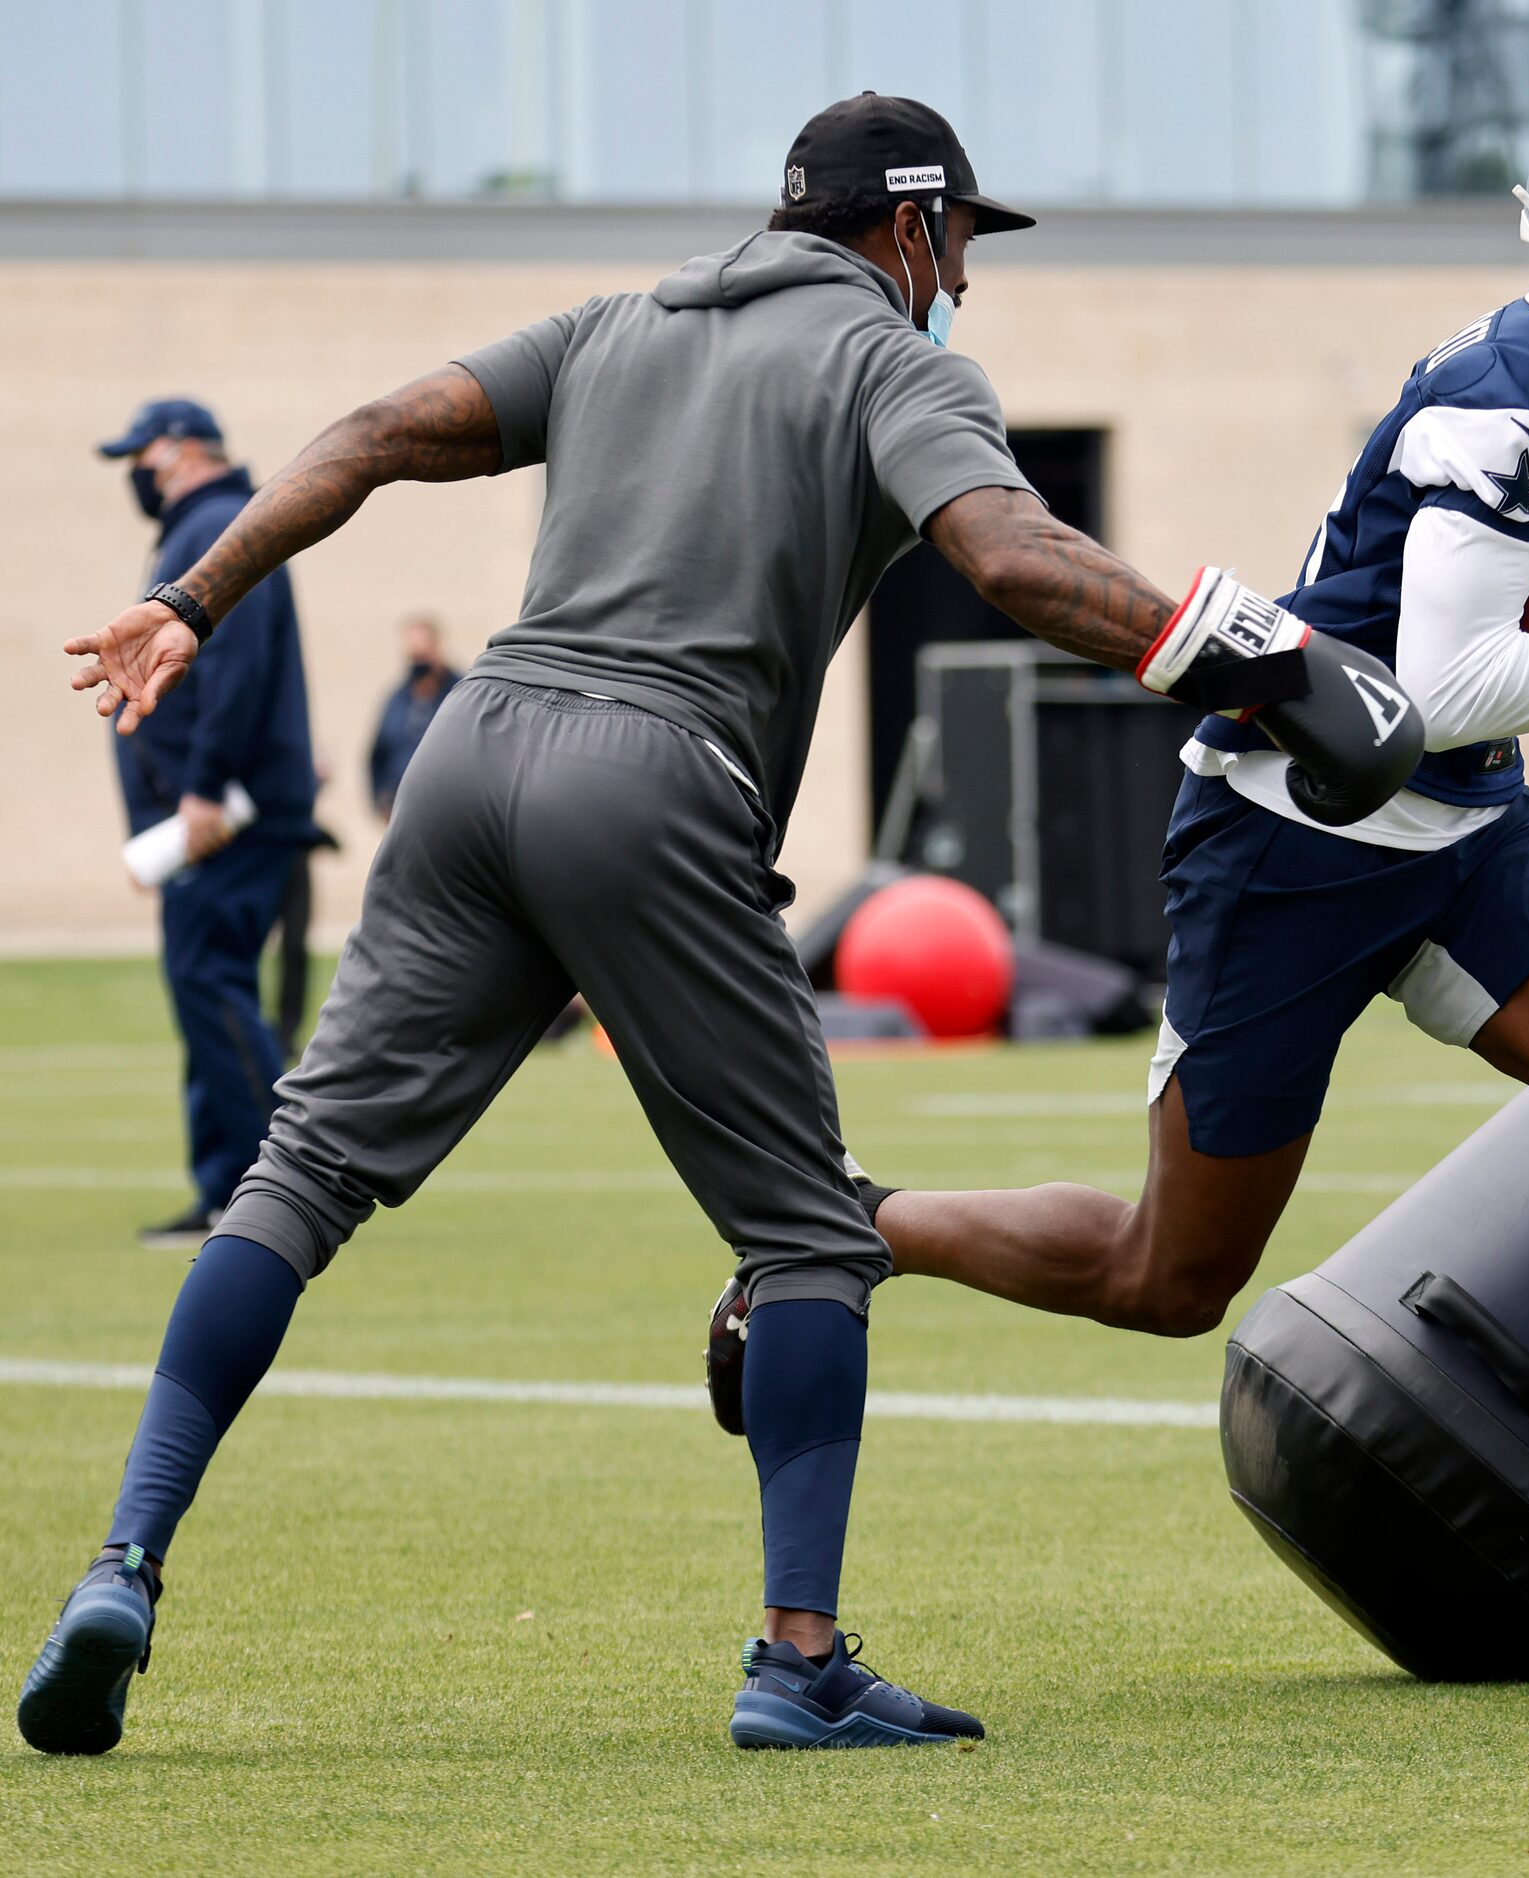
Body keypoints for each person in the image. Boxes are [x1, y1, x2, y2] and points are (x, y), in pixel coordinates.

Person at [22, 91, 1415, 1759]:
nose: (963, 276)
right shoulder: (894, 361)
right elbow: (1017, 559)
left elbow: (375, 427)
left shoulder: (614, 323)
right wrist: (1262, 658)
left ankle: (123, 1558)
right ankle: (798, 1657)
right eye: (962, 241)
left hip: (478, 748)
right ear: (908, 228)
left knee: (299, 1173)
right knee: (812, 1235)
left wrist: (187, 597)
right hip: (652, 775)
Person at [719, 61, 1529, 1699]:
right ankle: (852, 1229)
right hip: (1296, 834)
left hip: (1458, 831)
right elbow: (1450, 676)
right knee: (1167, 1274)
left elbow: (1527, 653)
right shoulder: (1509, 389)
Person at [93, 399, 319, 1252]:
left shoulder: (221, 524)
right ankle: (226, 1185)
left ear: (181, 451)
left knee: (209, 978)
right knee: (204, 986)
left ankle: (278, 1193)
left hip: (225, 812)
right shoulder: (206, 526)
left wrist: (203, 791)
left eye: (140, 454)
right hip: (213, 807)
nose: (135, 474)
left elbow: (237, 668)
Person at [367, 613, 460, 819]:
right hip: (401, 814)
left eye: (423, 657)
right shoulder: (397, 699)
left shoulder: (462, 695)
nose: (419, 666)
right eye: (413, 658)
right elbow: (377, 754)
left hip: (448, 815)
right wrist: (379, 802)